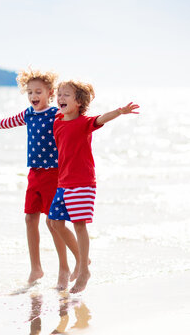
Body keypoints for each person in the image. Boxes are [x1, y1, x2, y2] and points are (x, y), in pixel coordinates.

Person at [0, 68, 80, 290]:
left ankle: (66, 267)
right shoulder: (29, 114)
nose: (33, 96)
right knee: (30, 219)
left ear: (50, 92)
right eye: (30, 92)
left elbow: (76, 122)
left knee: (54, 224)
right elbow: (8, 121)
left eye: (38, 91)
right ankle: (36, 268)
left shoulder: (56, 114)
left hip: (53, 174)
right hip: (34, 174)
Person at [48, 80, 139, 293]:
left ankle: (83, 272)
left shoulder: (85, 122)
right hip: (63, 182)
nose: (61, 98)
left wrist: (120, 111)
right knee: (54, 223)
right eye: (59, 94)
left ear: (79, 102)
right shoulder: (57, 122)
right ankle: (82, 260)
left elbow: (101, 118)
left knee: (79, 225)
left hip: (82, 183)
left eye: (66, 95)